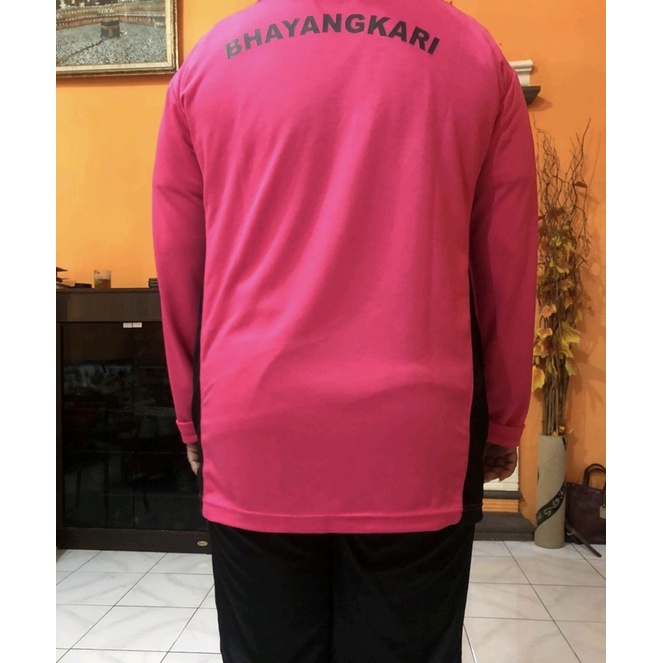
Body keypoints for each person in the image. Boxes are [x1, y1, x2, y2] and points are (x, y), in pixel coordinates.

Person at [152, 0, 538, 661]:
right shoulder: (476, 57)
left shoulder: (209, 63)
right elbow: (505, 262)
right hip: (415, 435)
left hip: (255, 426)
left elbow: (181, 265)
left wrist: (192, 420)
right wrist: (502, 419)